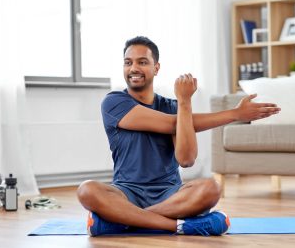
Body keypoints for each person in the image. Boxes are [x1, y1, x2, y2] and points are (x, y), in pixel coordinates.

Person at [77, 36, 280, 236]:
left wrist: (184, 103)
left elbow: (186, 159)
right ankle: (179, 226)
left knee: (211, 188)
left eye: (142, 62)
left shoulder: (174, 107)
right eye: (128, 63)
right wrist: (234, 114)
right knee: (87, 190)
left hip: (170, 195)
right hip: (126, 192)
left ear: (156, 68)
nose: (134, 68)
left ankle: (122, 222)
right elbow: (170, 123)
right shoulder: (114, 102)